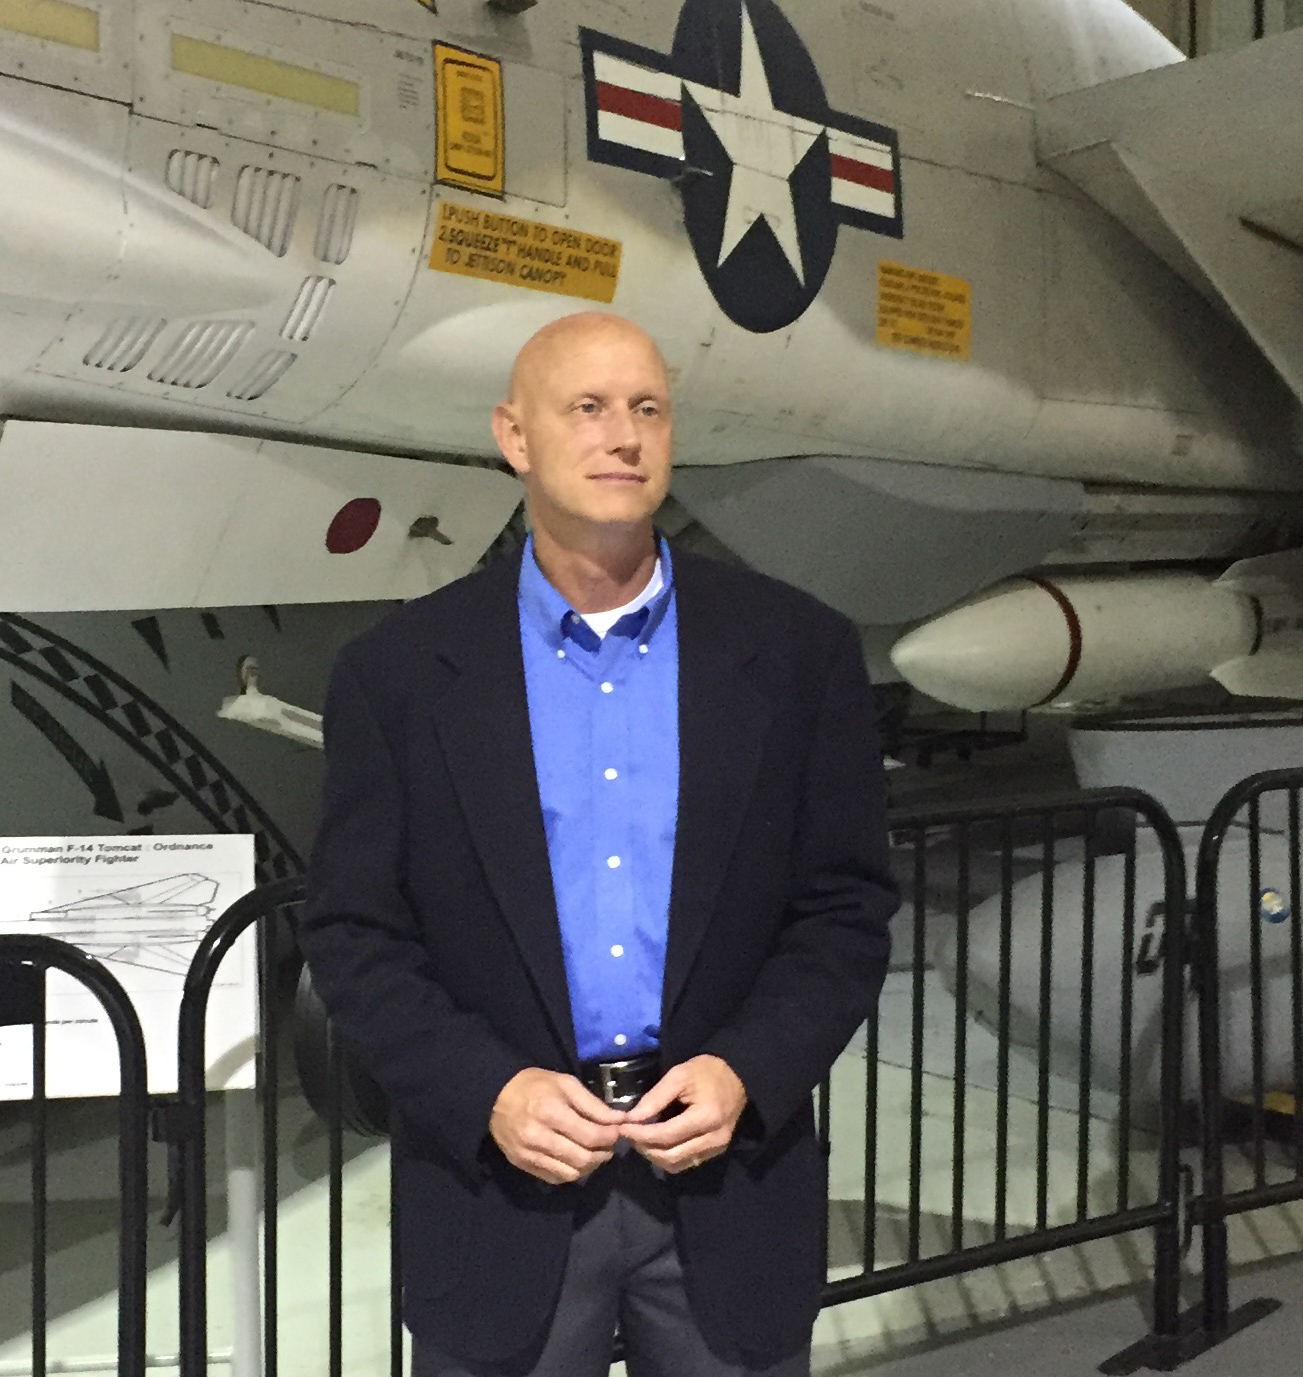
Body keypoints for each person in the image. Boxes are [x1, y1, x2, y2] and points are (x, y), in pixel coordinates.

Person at [298, 312, 895, 1377]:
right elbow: (356, 933)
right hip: (504, 1191)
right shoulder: (396, 676)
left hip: (724, 1181)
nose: (624, 435)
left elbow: (844, 909)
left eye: (648, 409)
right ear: (514, 436)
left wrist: (748, 1071)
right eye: (588, 407)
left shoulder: (797, 652)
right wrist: (488, 1091)